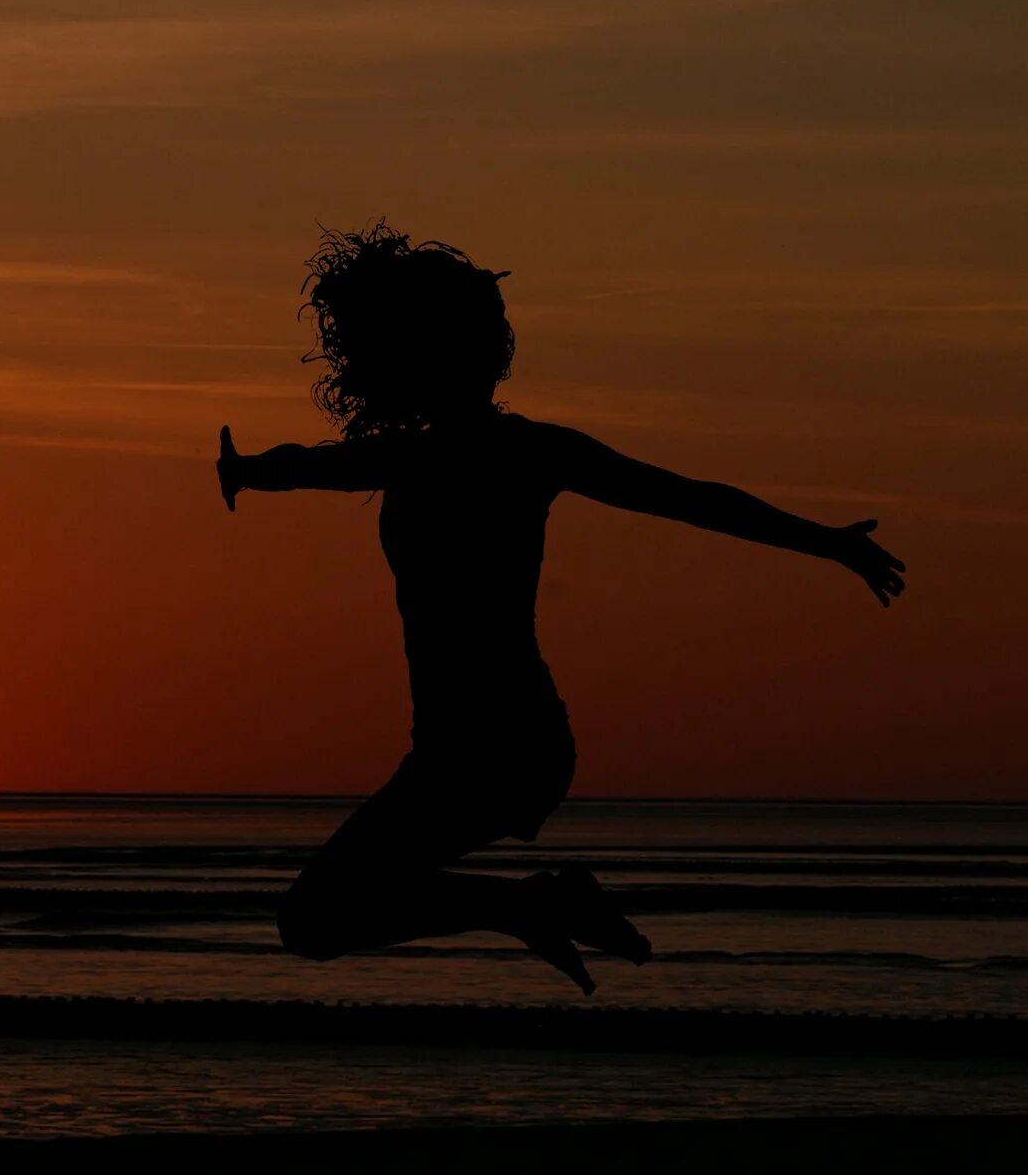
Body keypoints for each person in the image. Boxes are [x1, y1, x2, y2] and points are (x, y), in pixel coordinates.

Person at [218, 223, 906, 992]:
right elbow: (306, 466)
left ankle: (531, 903)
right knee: (317, 918)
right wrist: (247, 470)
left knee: (315, 915)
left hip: (501, 746)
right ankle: (530, 904)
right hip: (471, 747)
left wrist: (827, 542)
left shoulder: (509, 454)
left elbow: (688, 499)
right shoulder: (421, 456)